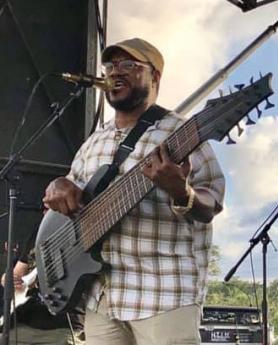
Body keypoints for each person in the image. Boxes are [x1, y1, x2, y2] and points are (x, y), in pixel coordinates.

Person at [41, 38, 225, 345]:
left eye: (130, 65)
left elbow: (211, 204)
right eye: (111, 66)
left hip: (164, 295)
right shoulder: (94, 142)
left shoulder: (182, 134)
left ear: (154, 77)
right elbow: (67, 201)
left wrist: (182, 192)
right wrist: (58, 186)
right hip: (101, 298)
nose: (116, 72)